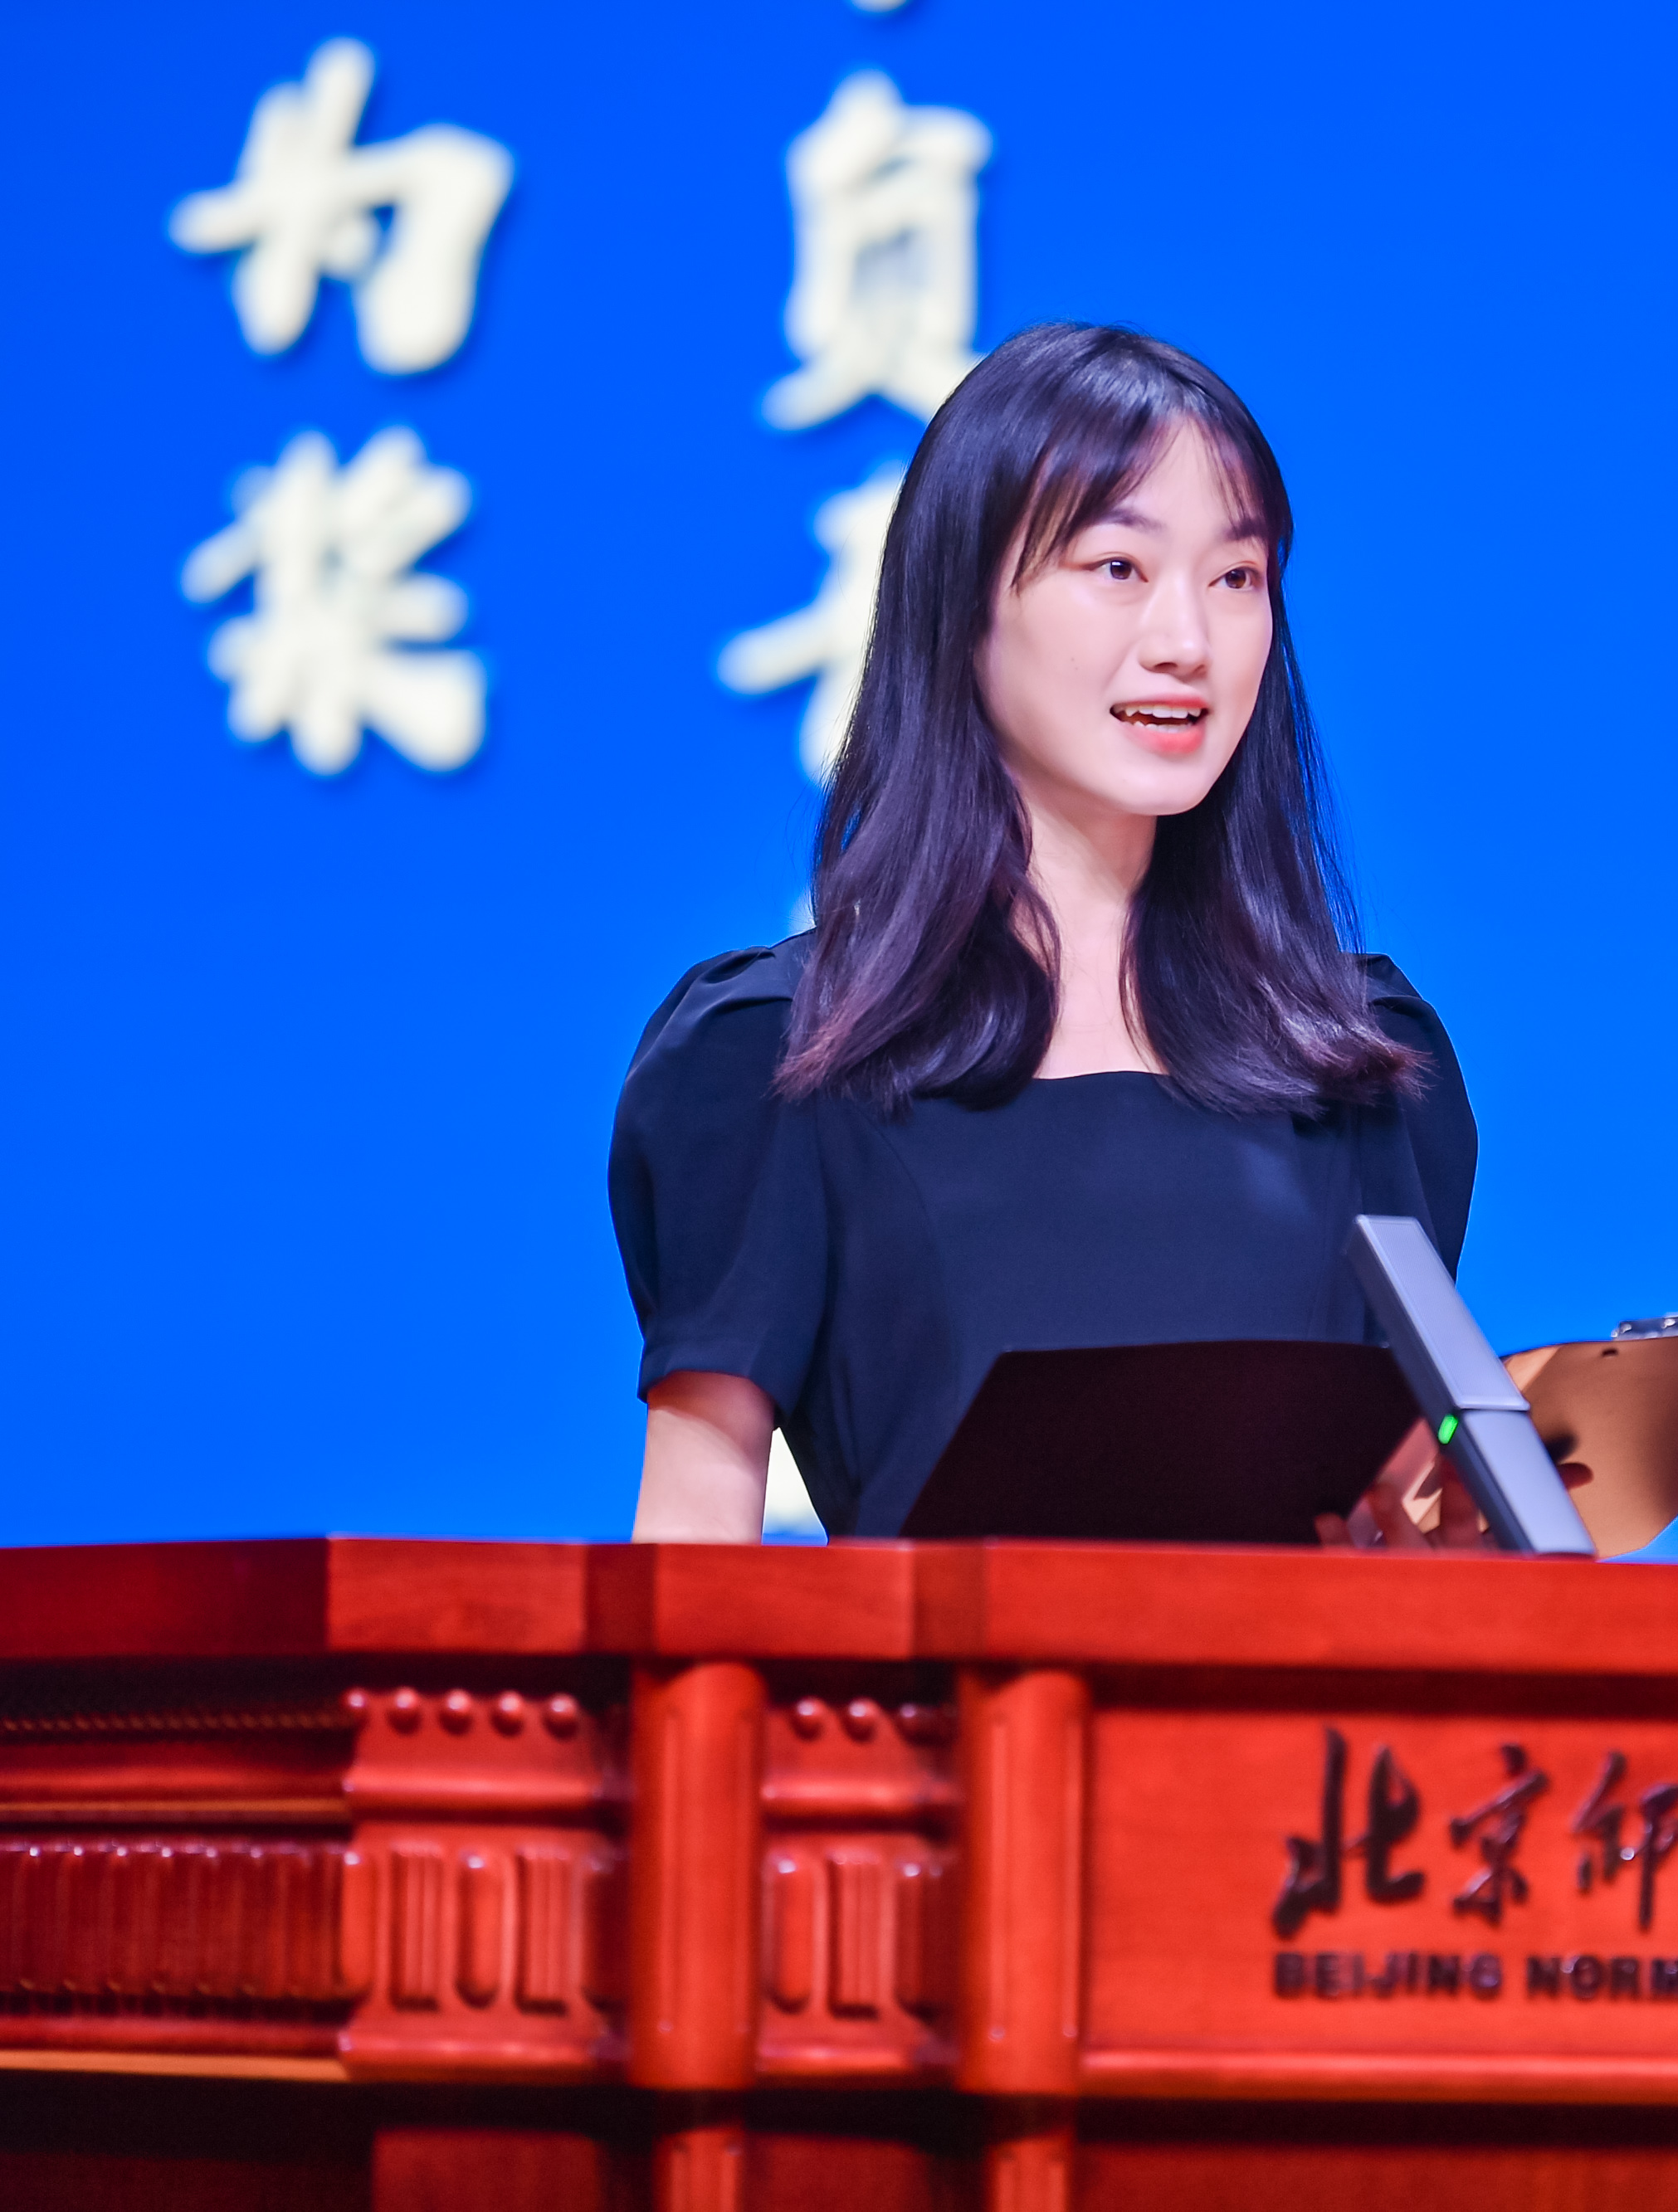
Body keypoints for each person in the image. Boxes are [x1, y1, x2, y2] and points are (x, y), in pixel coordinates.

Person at [611, 323, 1491, 1551]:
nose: (1186, 641)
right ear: (963, 606)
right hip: (947, 1683)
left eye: (1237, 578)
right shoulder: (780, 1055)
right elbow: (693, 1546)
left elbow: (1392, 1530)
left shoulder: (1358, 1064)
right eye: (1118, 567)